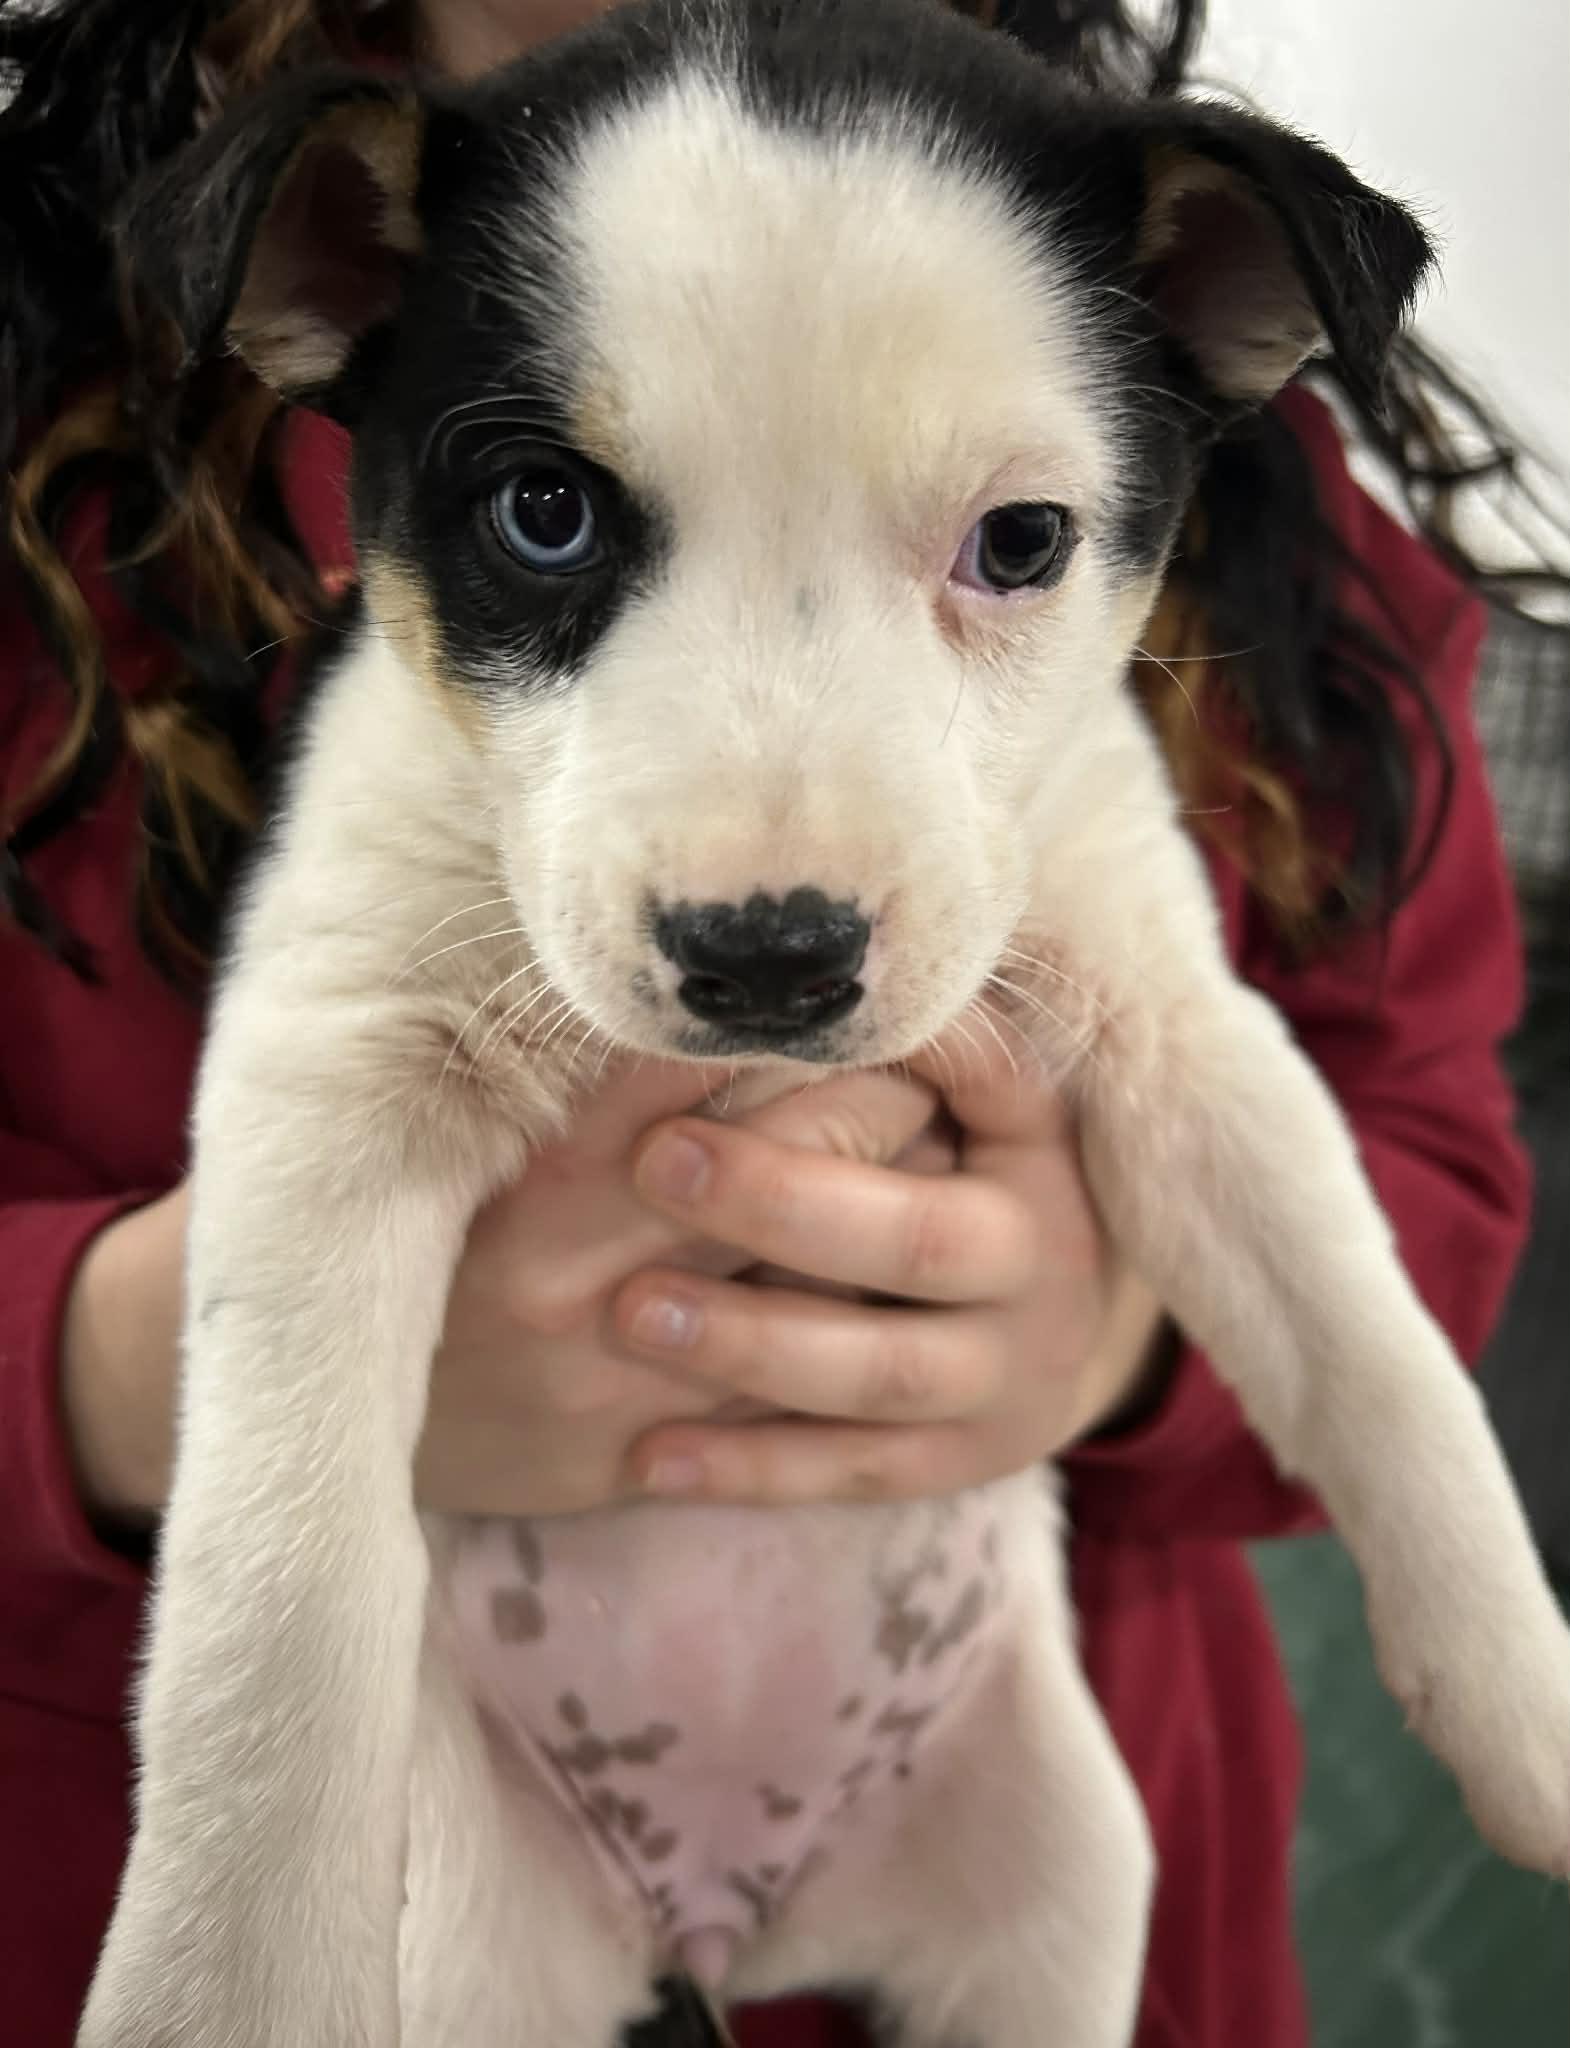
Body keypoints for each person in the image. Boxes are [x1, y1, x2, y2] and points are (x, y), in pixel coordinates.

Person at [0, 1, 1550, 2044]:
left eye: (1008, 547)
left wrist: (1108, 1333)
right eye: (550, 509)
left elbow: (1378, 1137)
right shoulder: (140, 338)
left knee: (1056, 1895)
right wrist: (97, 1369)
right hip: (385, 1827)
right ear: (315, 298)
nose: (767, 876)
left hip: (1002, 1764)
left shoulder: (1226, 469)